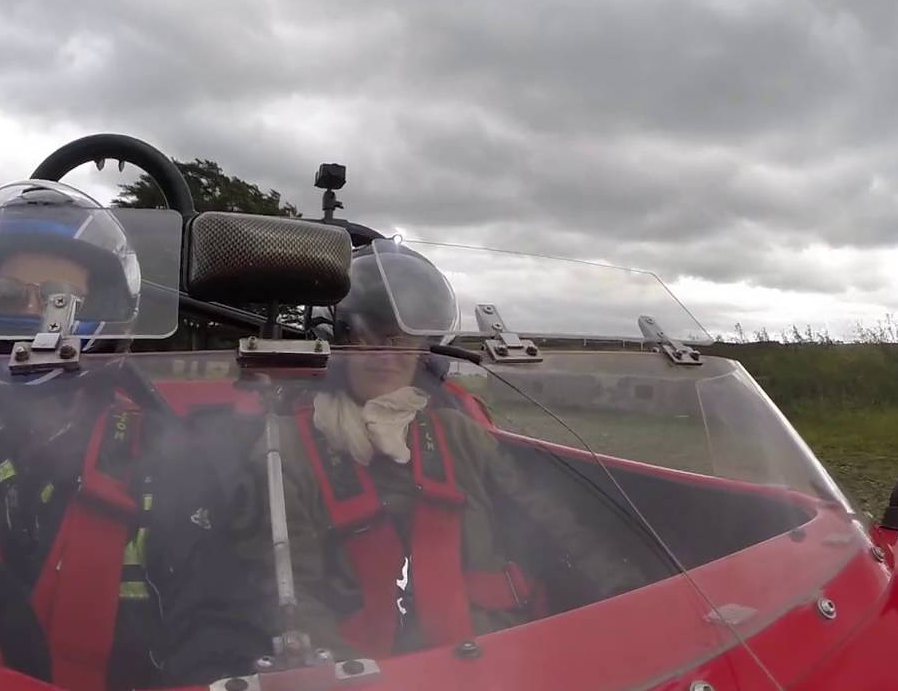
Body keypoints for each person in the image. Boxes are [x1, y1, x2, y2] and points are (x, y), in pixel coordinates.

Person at [0, 181, 264, 690]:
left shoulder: (165, 454)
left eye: (62, 299)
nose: (33, 315)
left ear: (101, 309)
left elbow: (216, 627)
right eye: (7, 296)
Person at [259, 243, 644, 660]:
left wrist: (630, 597)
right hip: (362, 672)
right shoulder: (287, 448)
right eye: (366, 337)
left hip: (496, 659)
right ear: (332, 345)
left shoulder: (460, 434)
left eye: (399, 338)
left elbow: (555, 523)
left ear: (425, 352)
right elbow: (291, 596)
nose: (385, 355)